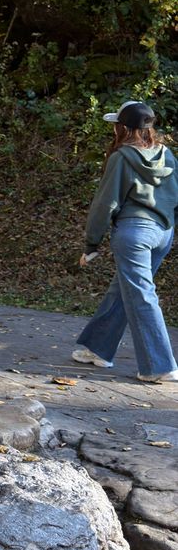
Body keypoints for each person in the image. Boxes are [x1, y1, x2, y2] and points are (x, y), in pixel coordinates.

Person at [74, 100, 178, 381]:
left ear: (123, 127)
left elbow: (105, 204)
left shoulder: (122, 157)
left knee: (141, 296)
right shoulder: (167, 155)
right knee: (124, 291)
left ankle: (160, 366)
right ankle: (97, 349)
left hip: (134, 234)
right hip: (163, 232)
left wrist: (91, 245)